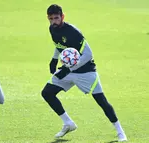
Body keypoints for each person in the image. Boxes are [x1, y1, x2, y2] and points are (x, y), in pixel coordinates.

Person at [41, 4, 127, 142]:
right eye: (50, 19)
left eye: (56, 18)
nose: (53, 21)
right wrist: (54, 59)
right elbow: (60, 46)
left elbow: (88, 54)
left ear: (62, 17)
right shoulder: (52, 28)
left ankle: (120, 132)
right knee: (47, 93)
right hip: (68, 70)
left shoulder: (73, 32)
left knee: (101, 101)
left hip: (86, 71)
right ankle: (68, 123)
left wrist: (68, 69)